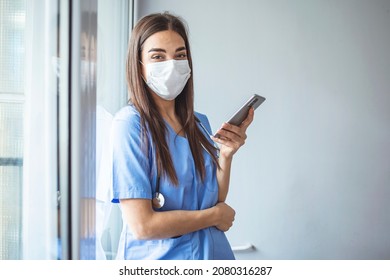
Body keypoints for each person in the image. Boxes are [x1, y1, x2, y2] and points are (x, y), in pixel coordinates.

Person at [111, 12, 254, 260]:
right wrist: (214, 217)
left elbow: (214, 198)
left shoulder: (198, 123)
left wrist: (227, 156)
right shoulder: (130, 125)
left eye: (180, 55)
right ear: (139, 65)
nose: (171, 64)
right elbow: (143, 226)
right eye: (158, 56)